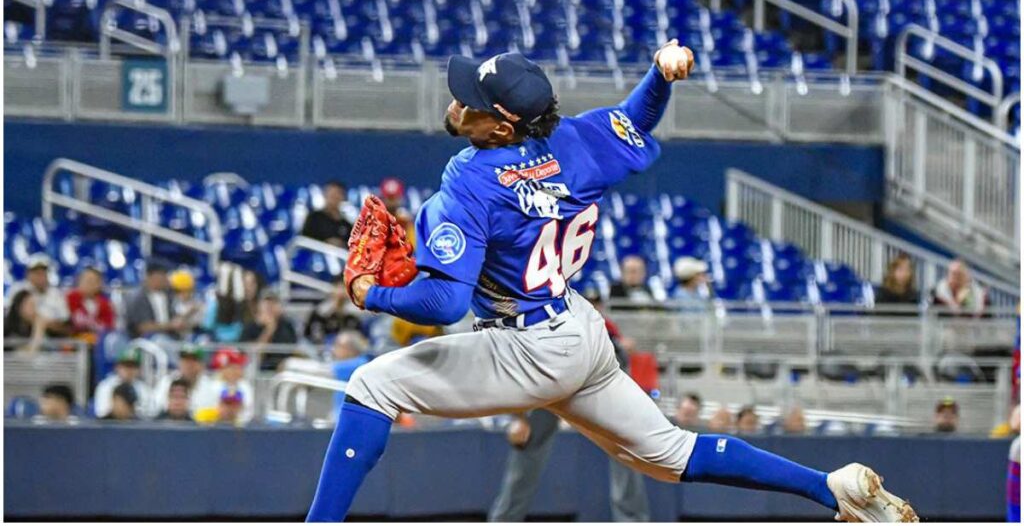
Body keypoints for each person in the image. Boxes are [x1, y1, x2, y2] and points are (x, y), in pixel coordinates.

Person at [306, 47, 917, 522]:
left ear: (501, 126)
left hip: (526, 345)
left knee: (370, 385)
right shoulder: (573, 141)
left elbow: (443, 302)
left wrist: (367, 294)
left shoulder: (469, 182)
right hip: (578, 330)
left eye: (472, 101)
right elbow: (634, 119)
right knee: (673, 454)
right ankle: (829, 488)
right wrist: (660, 75)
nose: (458, 102)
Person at [489, 289, 649, 522]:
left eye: (596, 303)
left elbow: (620, 373)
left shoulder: (606, 331)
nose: (592, 307)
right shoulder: (546, 325)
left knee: (626, 446)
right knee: (527, 450)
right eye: (588, 302)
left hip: (593, 386)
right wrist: (518, 418)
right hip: (553, 384)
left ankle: (632, 520)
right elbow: (524, 370)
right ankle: (503, 520)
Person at [8, 254, 70, 337]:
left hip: (52, 337)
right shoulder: (18, 290)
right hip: (20, 335)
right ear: (28, 273)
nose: (40, 276)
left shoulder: (56, 293)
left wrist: (43, 323)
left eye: (43, 272)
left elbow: (64, 321)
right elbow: (10, 318)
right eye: (36, 272)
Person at [124, 260, 186, 339]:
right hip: (147, 341)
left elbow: (176, 315)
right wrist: (171, 325)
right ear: (151, 276)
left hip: (171, 338)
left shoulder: (169, 295)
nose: (166, 279)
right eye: (163, 275)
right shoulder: (137, 298)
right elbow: (143, 327)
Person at [241, 290, 299, 371]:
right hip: (259, 368)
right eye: (267, 303)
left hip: (283, 367)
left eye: (273, 303)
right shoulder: (251, 326)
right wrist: (269, 330)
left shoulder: (286, 325)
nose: (270, 307)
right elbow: (255, 354)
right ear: (259, 305)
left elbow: (291, 349)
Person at [196, 347, 254, 425]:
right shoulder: (212, 387)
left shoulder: (245, 386)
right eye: (233, 367)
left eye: (239, 367)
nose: (237, 371)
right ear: (222, 369)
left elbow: (249, 411)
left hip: (242, 428)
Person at [204, 267, 263, 343]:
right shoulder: (216, 303)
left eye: (252, 284)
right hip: (220, 345)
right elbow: (207, 325)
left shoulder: (252, 304)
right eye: (245, 284)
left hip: (241, 345)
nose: (248, 288)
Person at [153, 344, 217, 415]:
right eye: (185, 360)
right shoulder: (166, 382)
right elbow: (157, 409)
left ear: (202, 364)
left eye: (193, 360)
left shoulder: (210, 387)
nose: (189, 364)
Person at [93, 349, 154, 419]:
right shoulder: (105, 386)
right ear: (117, 367)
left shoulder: (144, 389)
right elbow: (101, 415)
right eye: (126, 366)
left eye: (133, 366)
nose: (129, 370)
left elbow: (148, 417)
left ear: (139, 369)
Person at [304, 277, 364, 345]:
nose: (341, 292)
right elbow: (315, 337)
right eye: (339, 287)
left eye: (345, 288)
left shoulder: (355, 314)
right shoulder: (320, 312)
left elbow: (360, 337)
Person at [66, 266, 116, 336]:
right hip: (73, 342)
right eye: (85, 280)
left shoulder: (106, 304)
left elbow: (109, 328)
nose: (88, 284)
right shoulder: (69, 299)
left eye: (92, 281)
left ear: (99, 284)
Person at [301, 181, 353, 247]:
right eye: (331, 195)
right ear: (325, 195)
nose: (334, 199)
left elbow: (353, 248)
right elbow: (304, 242)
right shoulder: (314, 218)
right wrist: (325, 244)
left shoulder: (347, 225)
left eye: (337, 195)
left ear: (343, 197)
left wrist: (342, 245)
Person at [169, 268, 205, 337]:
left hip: (195, 334)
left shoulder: (197, 302)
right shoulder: (172, 304)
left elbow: (202, 323)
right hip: (177, 337)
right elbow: (176, 324)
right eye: (180, 291)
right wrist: (188, 313)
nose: (186, 294)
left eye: (188, 291)